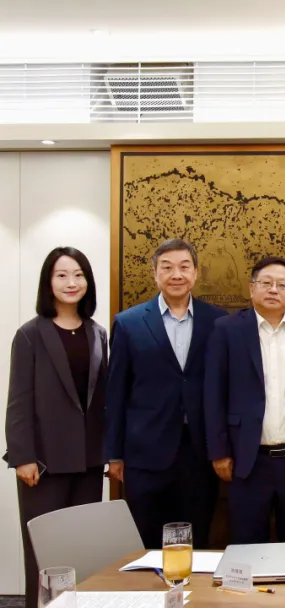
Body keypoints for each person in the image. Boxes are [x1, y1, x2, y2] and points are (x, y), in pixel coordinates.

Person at [105, 238, 228, 549]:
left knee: (196, 539)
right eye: (167, 267)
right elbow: (116, 393)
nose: (176, 274)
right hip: (145, 452)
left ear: (195, 273)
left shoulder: (218, 321)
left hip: (199, 452)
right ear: (155, 273)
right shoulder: (129, 323)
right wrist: (114, 454)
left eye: (184, 267)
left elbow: (225, 387)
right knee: (146, 542)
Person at [5, 247, 108, 608]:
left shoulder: (98, 333)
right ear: (48, 282)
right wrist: (22, 457)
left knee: (83, 552)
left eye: (78, 275)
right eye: (61, 275)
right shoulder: (30, 334)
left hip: (89, 462)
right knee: (44, 556)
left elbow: (101, 400)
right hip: (43, 465)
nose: (71, 282)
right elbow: (18, 401)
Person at [203, 256, 285, 544]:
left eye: (282, 285)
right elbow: (213, 393)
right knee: (247, 545)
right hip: (246, 460)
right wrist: (219, 451)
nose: (273, 290)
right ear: (251, 288)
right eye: (266, 283)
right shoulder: (227, 329)